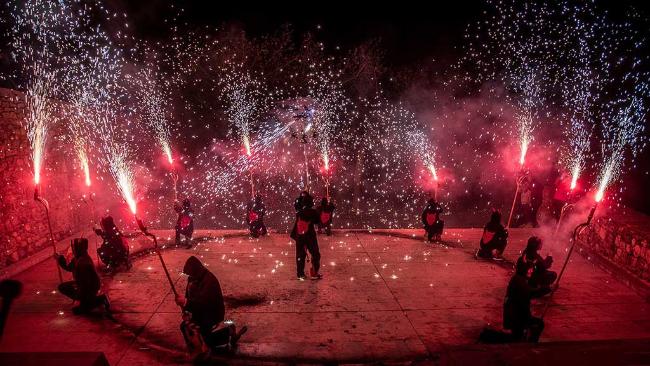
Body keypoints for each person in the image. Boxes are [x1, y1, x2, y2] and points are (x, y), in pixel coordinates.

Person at [176, 256, 246, 356]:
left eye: (191, 274)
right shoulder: (193, 278)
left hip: (210, 315)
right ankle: (196, 348)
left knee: (205, 337)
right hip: (198, 312)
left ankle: (227, 332)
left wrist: (186, 303)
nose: (189, 277)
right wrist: (186, 309)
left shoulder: (209, 282)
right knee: (185, 327)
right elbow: (189, 295)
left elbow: (203, 305)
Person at [55, 238, 110, 315]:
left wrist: (80, 293)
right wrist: (60, 258)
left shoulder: (83, 262)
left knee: (80, 309)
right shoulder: (78, 257)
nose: (73, 249)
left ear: (78, 248)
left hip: (89, 287)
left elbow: (86, 284)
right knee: (63, 287)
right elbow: (69, 267)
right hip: (83, 284)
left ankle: (98, 300)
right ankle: (88, 301)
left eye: (74, 247)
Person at [503, 258, 546, 342]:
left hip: (517, 315)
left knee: (518, 336)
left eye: (532, 269)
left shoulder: (519, 278)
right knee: (538, 324)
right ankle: (530, 343)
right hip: (516, 317)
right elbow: (530, 293)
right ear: (524, 269)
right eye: (529, 269)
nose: (531, 271)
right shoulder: (519, 281)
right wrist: (548, 288)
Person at [290, 192, 322, 280]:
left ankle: (300, 274)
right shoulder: (313, 212)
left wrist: (301, 198)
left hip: (300, 236)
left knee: (300, 255)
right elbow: (317, 221)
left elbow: (296, 204)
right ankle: (314, 272)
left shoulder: (299, 212)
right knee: (315, 254)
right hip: (310, 236)